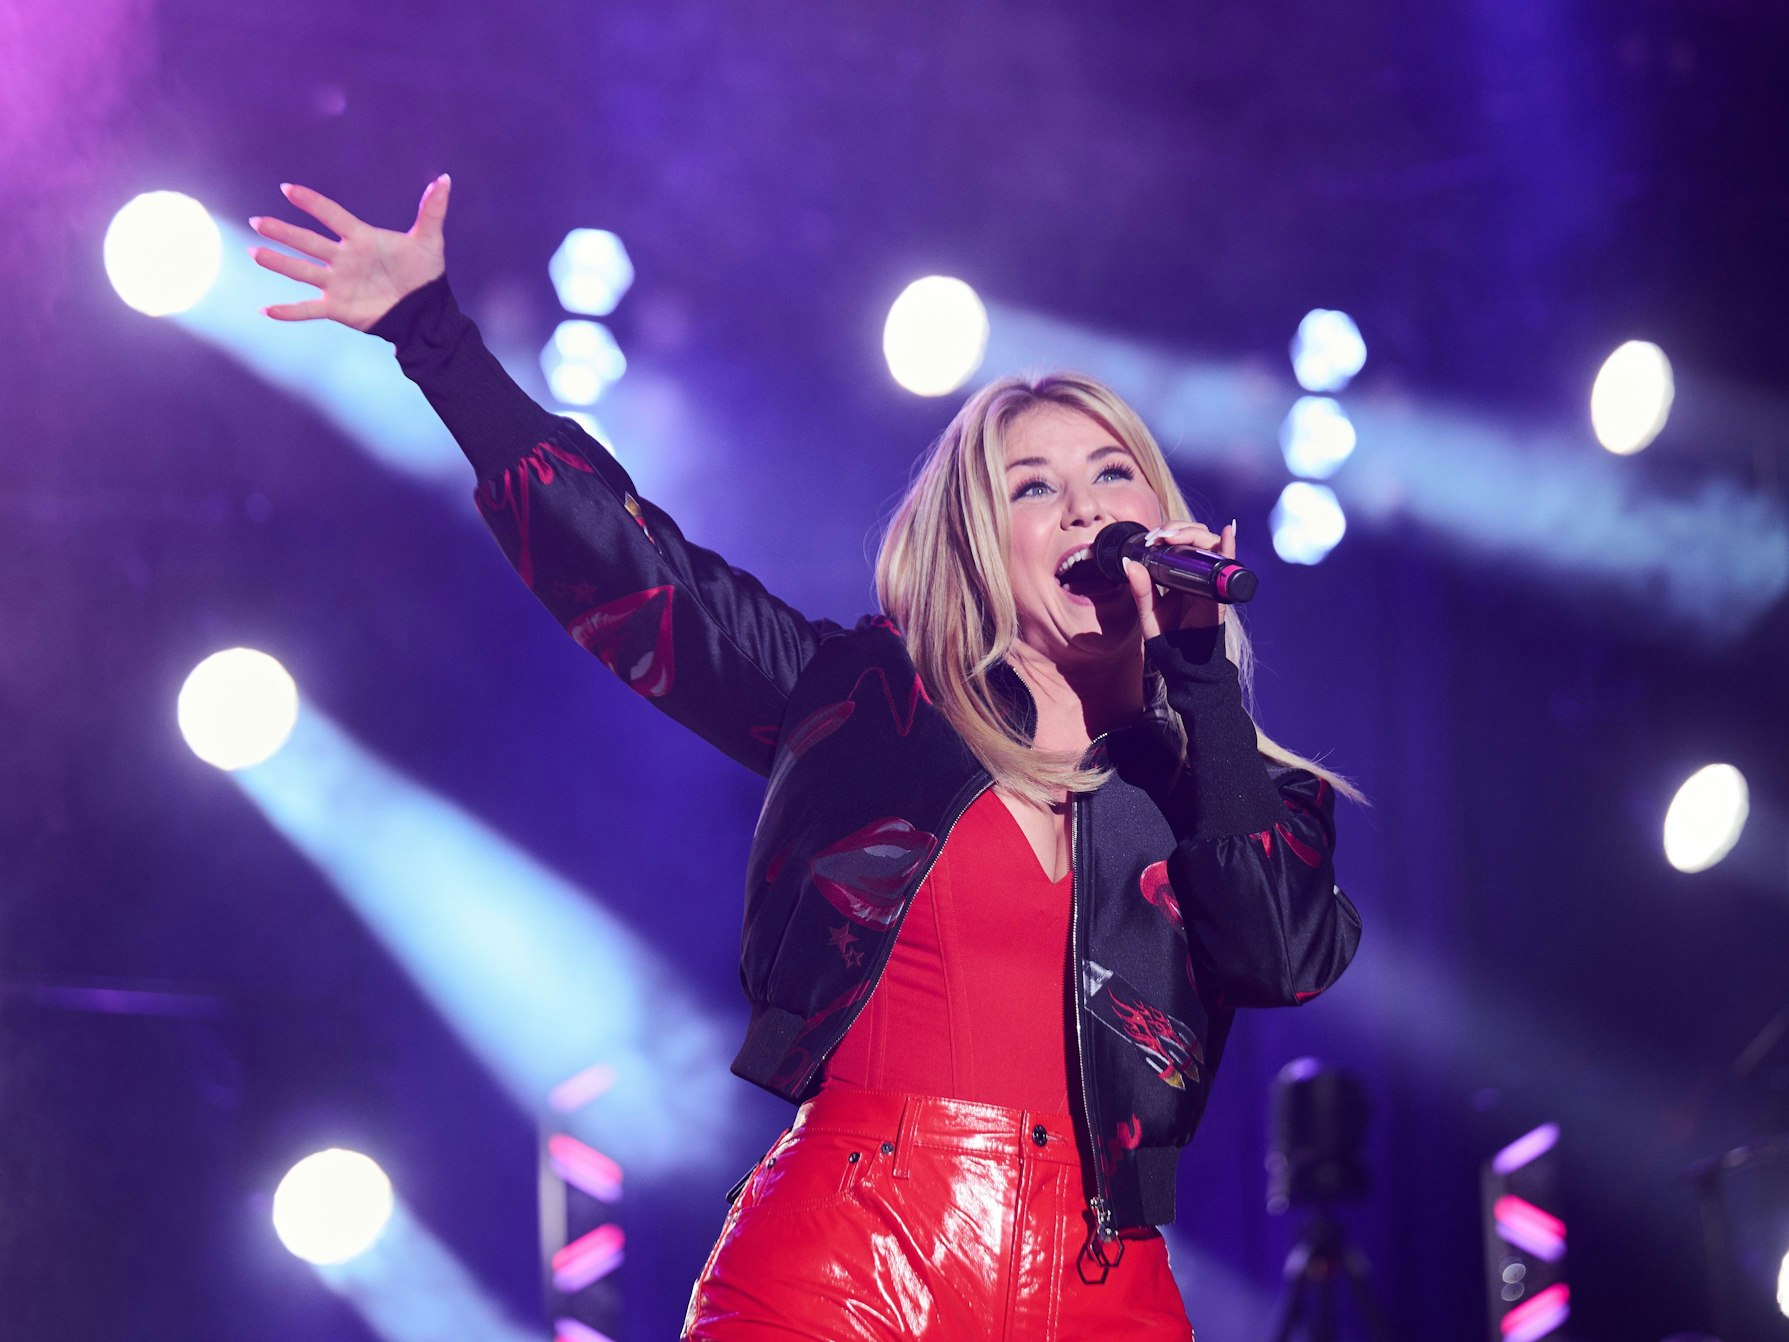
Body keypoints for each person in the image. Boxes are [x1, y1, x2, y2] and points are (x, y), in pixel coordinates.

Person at [251, 176, 1362, 1341]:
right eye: (1035, 487)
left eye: (1111, 475)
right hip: (853, 1260)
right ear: (986, 545)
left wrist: (1197, 676)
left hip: (1101, 1284)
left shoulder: (1231, 788)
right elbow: (641, 575)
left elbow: (1279, 952)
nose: (1085, 511)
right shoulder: (870, 701)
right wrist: (436, 340)